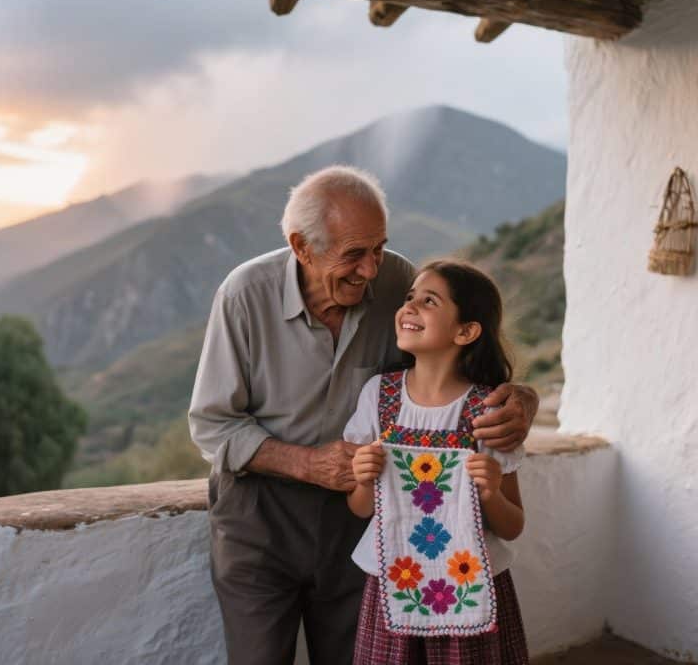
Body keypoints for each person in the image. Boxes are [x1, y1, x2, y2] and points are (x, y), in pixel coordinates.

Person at [188, 166, 537, 665]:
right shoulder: (244, 294)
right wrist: (308, 464)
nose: (371, 270)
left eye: (379, 248)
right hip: (259, 516)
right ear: (302, 247)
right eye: (354, 254)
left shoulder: (397, 280)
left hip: (360, 519)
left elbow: (456, 352)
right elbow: (211, 424)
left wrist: (521, 398)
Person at [346, 260, 528, 664]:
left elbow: (513, 526)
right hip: (394, 580)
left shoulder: (490, 412)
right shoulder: (378, 396)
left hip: (469, 585)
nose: (409, 307)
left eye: (429, 301)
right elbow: (361, 508)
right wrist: (363, 479)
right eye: (410, 297)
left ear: (466, 331)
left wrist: (492, 492)